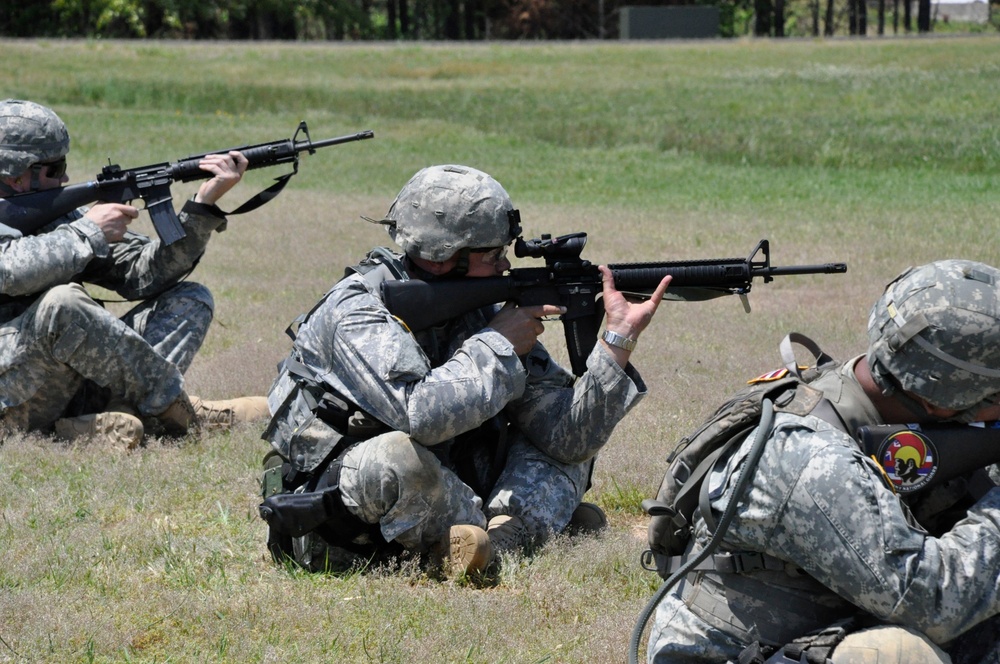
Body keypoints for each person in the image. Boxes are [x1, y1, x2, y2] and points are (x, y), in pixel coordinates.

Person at [260, 164, 671, 575]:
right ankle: (519, 532)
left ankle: (493, 543)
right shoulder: (356, 312)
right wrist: (498, 345)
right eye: (492, 254)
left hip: (446, 492)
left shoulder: (480, 310)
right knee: (395, 457)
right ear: (443, 258)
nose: (505, 265)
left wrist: (617, 341)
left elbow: (568, 437)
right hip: (344, 525)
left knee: (553, 446)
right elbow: (419, 417)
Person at [646, 259, 1000, 664]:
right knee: (898, 656)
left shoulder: (885, 401)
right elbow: (934, 600)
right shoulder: (810, 458)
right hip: (728, 655)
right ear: (941, 398)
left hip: (817, 633)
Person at [0, 99, 268, 448]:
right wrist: (89, 232)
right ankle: (180, 411)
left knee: (188, 299)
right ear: (16, 174)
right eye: (55, 167)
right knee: (63, 303)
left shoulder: (56, 218)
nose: (65, 177)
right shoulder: (72, 229)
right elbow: (9, 270)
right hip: (11, 398)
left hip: (66, 382)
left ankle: (118, 416)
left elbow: (142, 274)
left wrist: (201, 207)